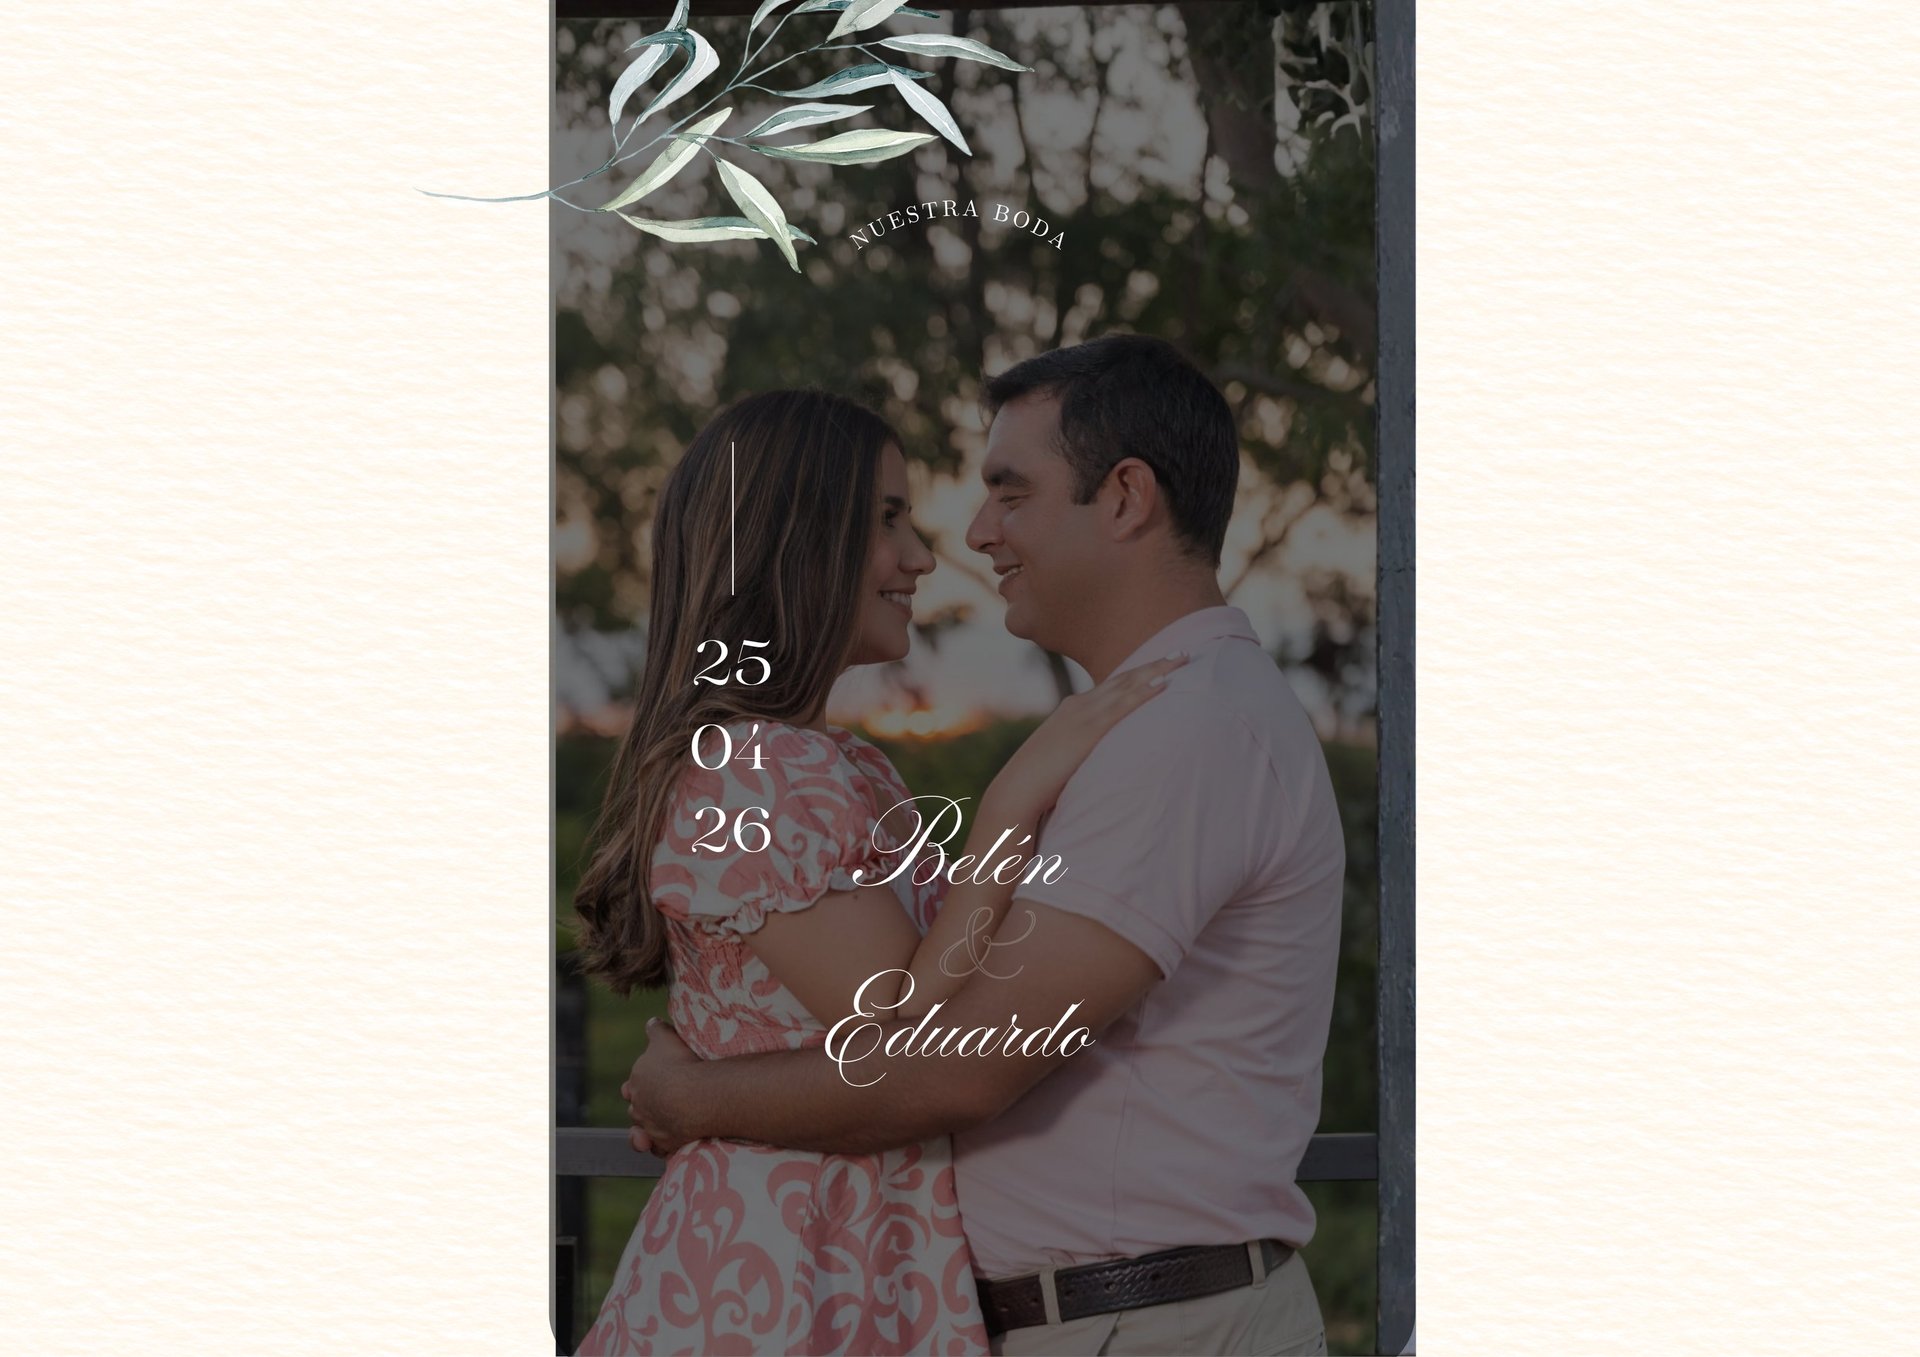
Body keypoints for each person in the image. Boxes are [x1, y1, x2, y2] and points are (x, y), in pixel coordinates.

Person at [622, 336, 1347, 1357]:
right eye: (893, 519)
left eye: (1011, 493)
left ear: (1127, 496)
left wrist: (694, 1096)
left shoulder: (1187, 731)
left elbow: (954, 1068)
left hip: (1133, 1321)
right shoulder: (1134, 727)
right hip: (836, 1280)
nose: (964, 537)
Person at [569, 387, 1187, 1356]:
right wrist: (1012, 795)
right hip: (780, 1278)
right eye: (887, 520)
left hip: (846, 1256)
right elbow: (901, 1013)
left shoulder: (835, 764)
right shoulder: (766, 774)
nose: (920, 557)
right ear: (795, 541)